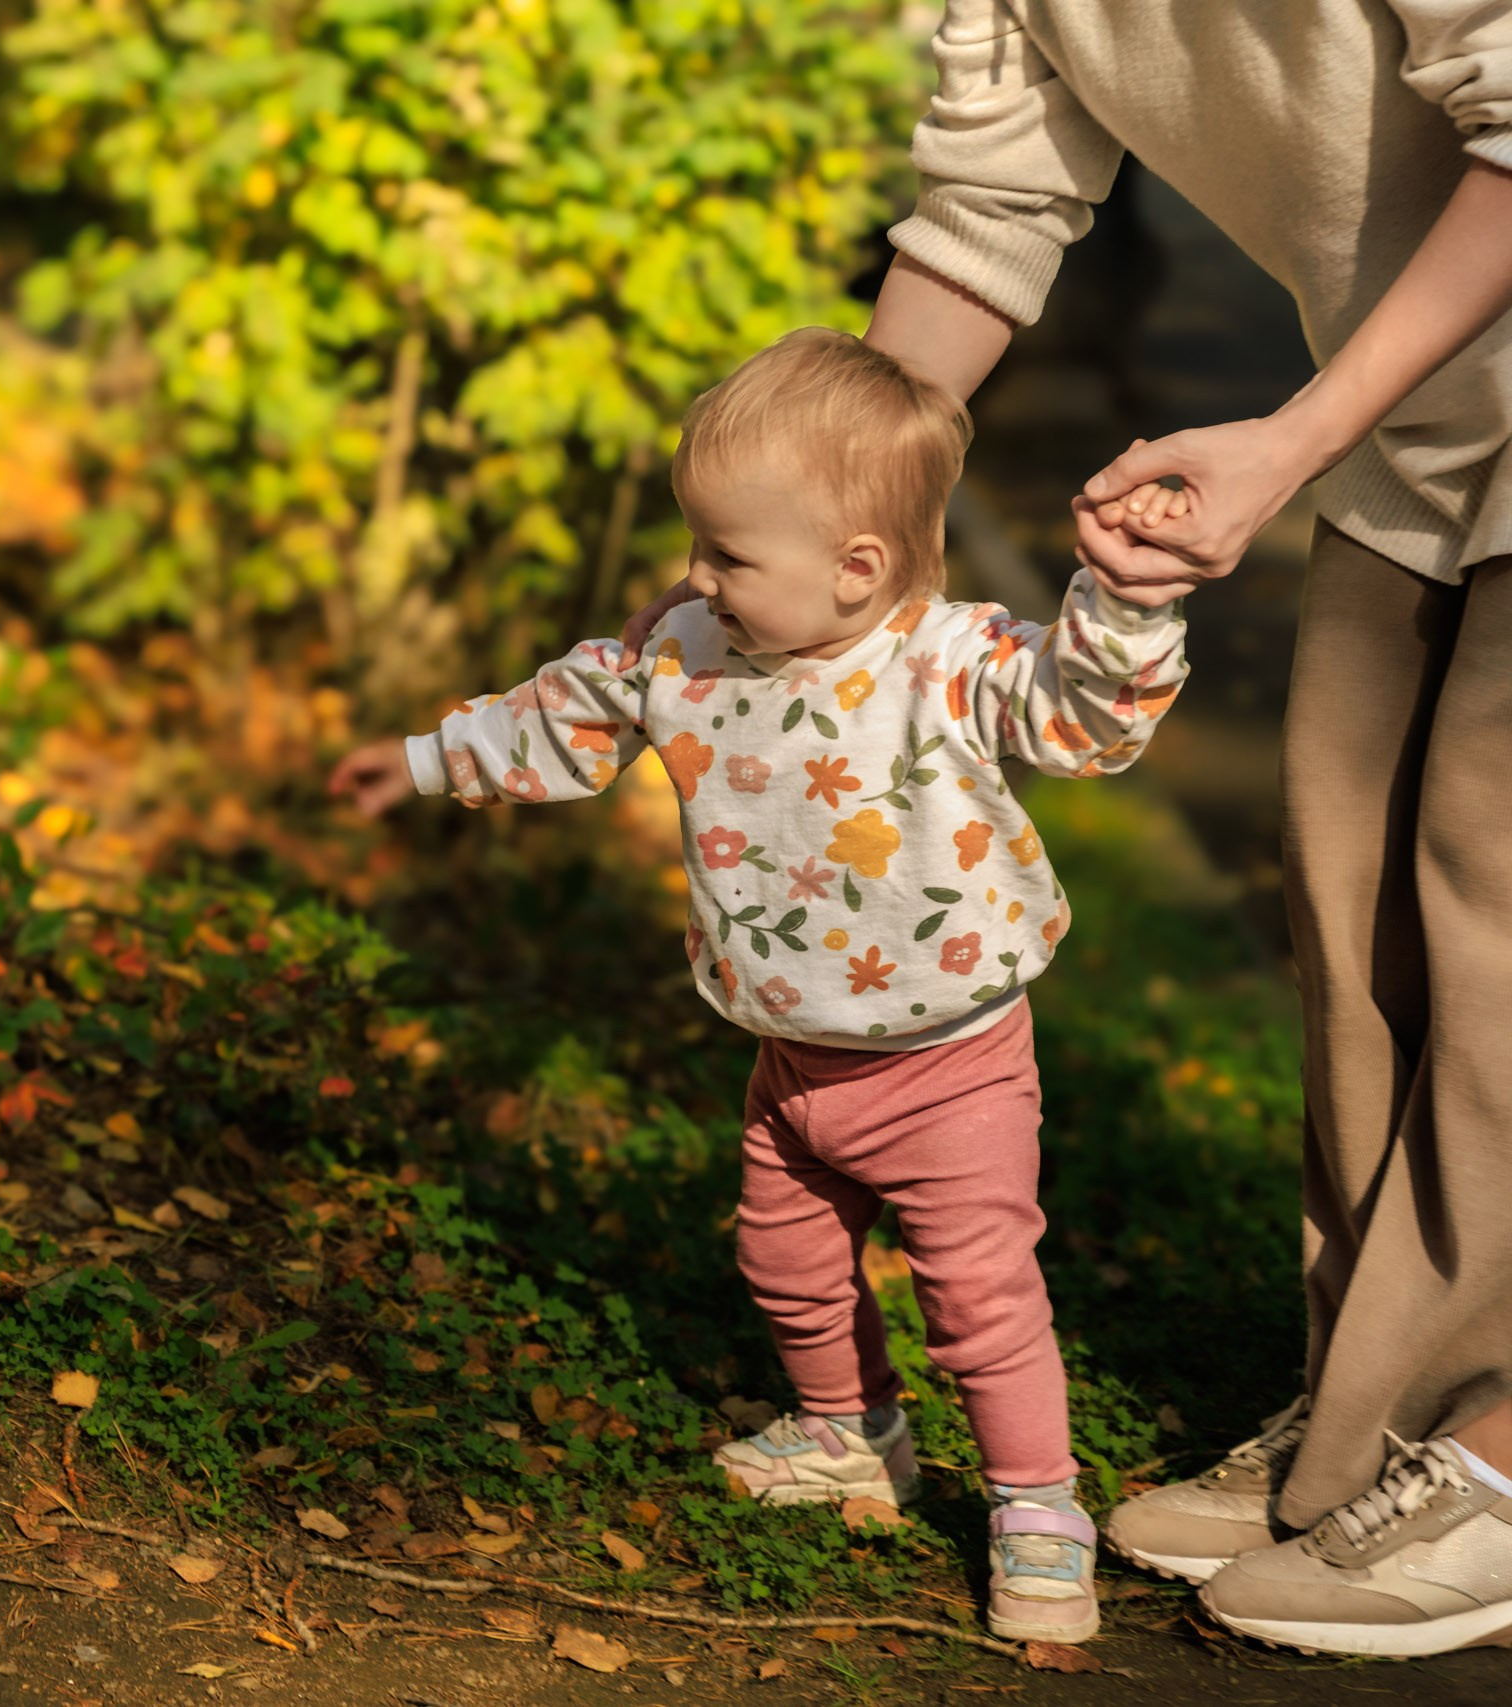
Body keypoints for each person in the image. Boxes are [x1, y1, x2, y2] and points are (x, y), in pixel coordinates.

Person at [613, 2, 1512, 1657]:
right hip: (1416, 430)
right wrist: (832, 515)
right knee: (1365, 914)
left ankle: (1498, 1456)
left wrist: (1293, 441)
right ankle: (1370, 1415)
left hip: (1376, 403)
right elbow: (989, 205)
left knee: (1499, 922)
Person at [330, 328, 1189, 1643]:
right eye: (698, 546)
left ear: (858, 567)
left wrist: (1125, 607)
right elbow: (573, 714)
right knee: (782, 1255)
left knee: (980, 1298)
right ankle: (854, 1435)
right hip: (790, 1062)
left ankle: (1036, 1505)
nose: (694, 577)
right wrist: (430, 762)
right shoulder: (690, 650)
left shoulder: (949, 664)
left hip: (948, 1066)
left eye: (727, 555)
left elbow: (1083, 720)